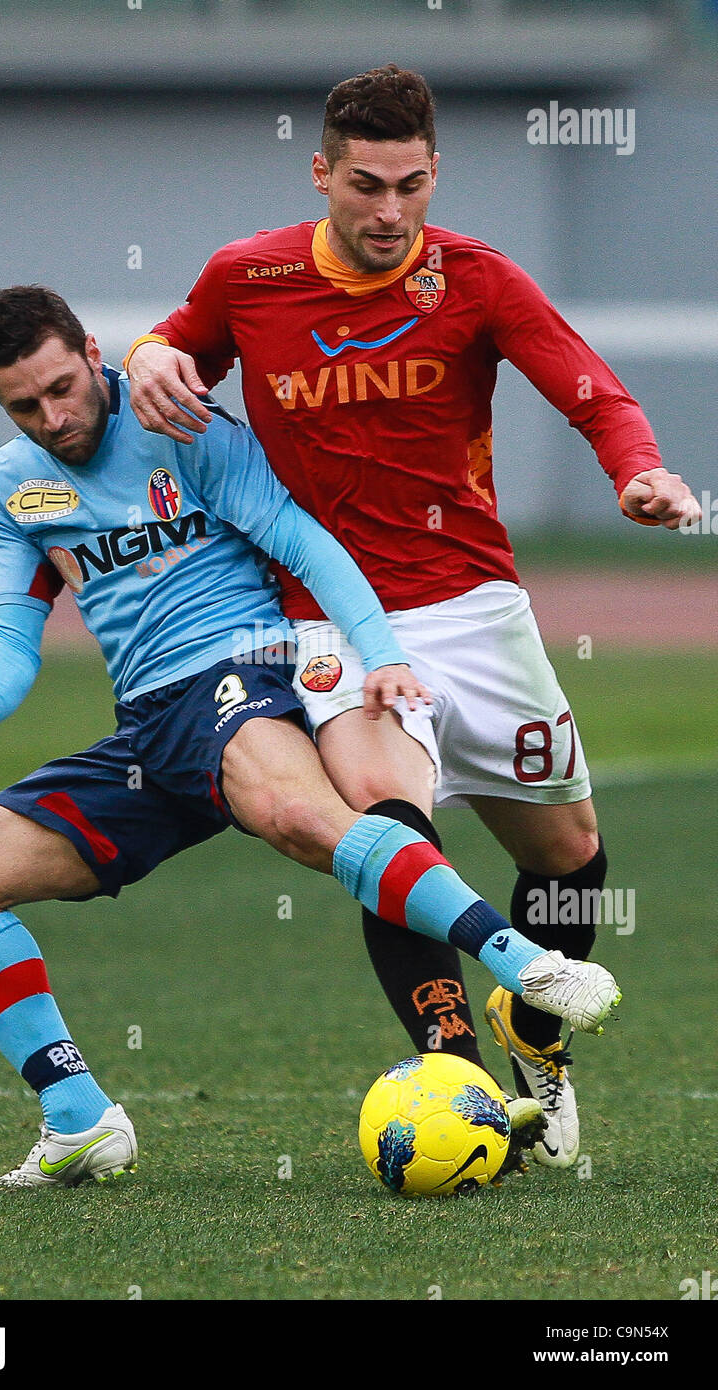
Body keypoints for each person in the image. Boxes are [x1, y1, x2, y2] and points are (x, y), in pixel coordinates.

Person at [0, 286, 619, 1189]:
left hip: (242, 675)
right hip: (150, 733)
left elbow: (301, 539)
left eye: (62, 389)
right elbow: (12, 632)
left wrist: (382, 653)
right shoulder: (16, 484)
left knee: (295, 812)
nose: (53, 417)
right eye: (24, 406)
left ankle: (527, 965)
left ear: (92, 352)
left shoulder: (176, 420)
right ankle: (80, 1118)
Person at [122, 65, 700, 1169]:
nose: (390, 213)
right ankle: (457, 1074)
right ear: (323, 173)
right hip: (334, 615)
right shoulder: (249, 277)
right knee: (392, 829)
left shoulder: (476, 279)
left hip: (477, 604)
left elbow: (595, 391)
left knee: (573, 854)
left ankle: (534, 1036)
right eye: (367, 185)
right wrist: (150, 353)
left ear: (436, 173)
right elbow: (172, 345)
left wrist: (640, 471)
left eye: (412, 185)